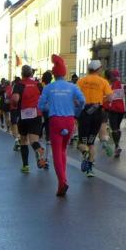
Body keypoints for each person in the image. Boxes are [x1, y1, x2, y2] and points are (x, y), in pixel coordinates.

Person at [38, 55, 85, 196]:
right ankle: (62, 183)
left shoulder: (48, 88)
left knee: (56, 152)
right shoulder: (72, 87)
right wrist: (76, 111)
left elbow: (40, 105)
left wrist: (50, 107)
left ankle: (62, 181)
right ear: (64, 73)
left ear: (54, 74)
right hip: (69, 121)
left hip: (55, 121)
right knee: (63, 150)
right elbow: (82, 101)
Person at [76, 60, 113, 177]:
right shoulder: (103, 81)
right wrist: (101, 100)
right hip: (97, 113)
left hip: (85, 113)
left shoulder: (81, 81)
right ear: (99, 69)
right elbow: (110, 98)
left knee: (82, 142)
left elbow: (75, 98)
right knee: (91, 142)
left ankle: (85, 152)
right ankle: (90, 169)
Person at [12, 65, 48, 172]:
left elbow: (15, 98)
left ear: (22, 74)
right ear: (31, 74)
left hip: (24, 115)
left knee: (23, 140)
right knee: (34, 140)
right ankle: (38, 149)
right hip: (36, 115)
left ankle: (26, 166)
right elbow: (44, 99)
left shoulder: (19, 85)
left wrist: (15, 104)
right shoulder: (38, 85)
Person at [104, 68, 126, 158]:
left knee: (114, 129)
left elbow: (106, 98)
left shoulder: (109, 85)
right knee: (117, 128)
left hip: (113, 110)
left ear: (113, 76)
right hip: (122, 110)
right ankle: (117, 146)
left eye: (111, 76)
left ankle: (117, 146)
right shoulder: (124, 85)